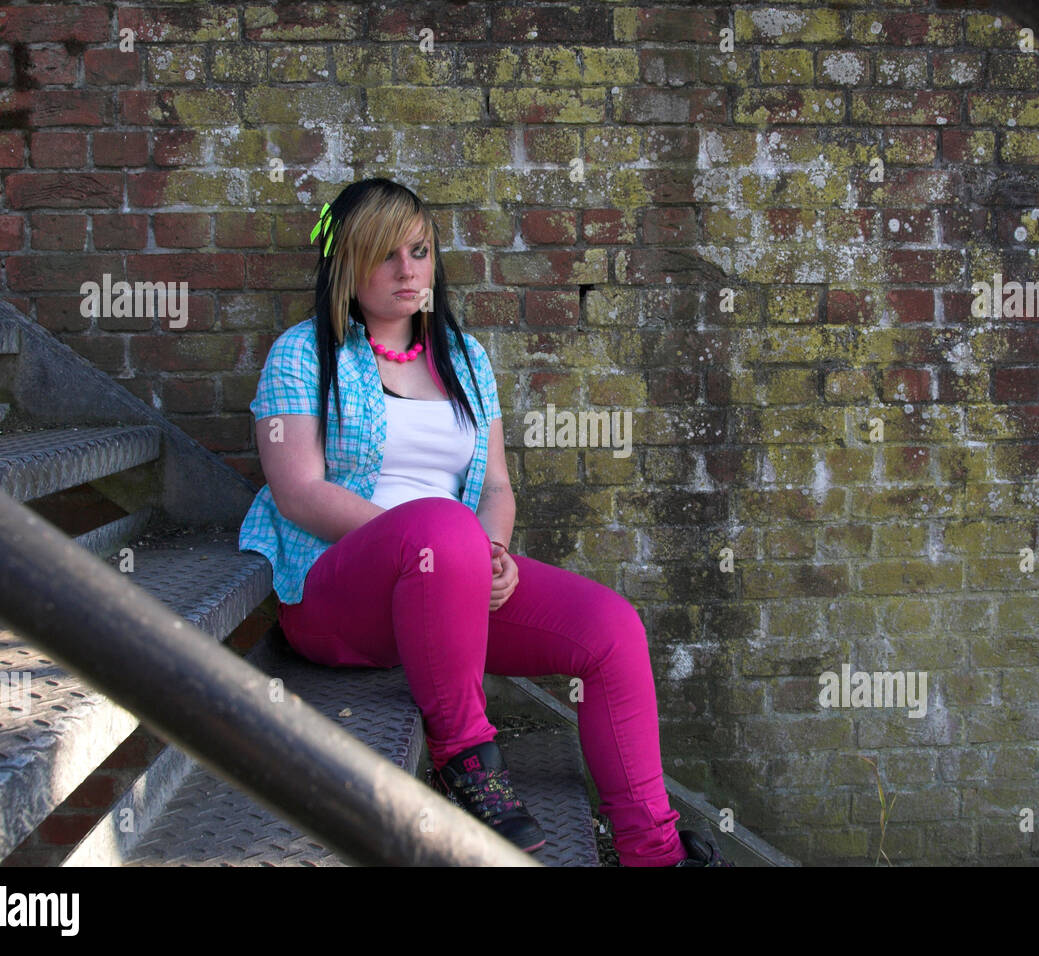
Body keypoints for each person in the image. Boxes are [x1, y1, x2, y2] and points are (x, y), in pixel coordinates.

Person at [238, 177, 731, 867]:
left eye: (420, 251)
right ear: (346, 264)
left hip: (453, 578)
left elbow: (497, 483)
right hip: (337, 593)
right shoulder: (302, 353)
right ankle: (467, 759)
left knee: (610, 629)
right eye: (386, 255)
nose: (408, 271)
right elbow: (298, 494)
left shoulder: (464, 360)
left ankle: (653, 847)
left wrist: (489, 554)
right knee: (439, 525)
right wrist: (445, 542)